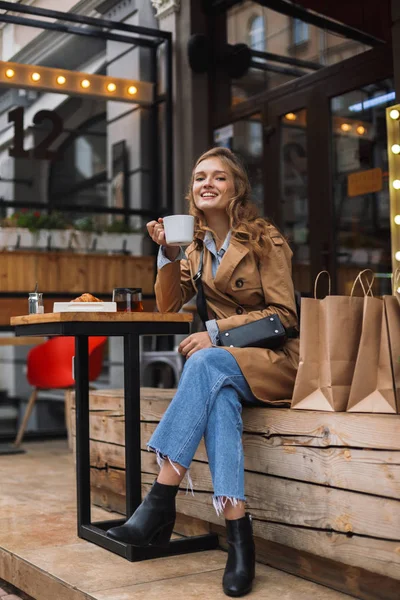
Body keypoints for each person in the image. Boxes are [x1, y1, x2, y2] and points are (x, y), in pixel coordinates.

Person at [107, 147, 299, 597]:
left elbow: (285, 316)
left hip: (275, 362)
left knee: (205, 359)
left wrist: (216, 331)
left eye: (218, 177)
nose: (206, 184)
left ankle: (158, 501)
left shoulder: (263, 238)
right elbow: (169, 307)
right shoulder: (194, 248)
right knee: (218, 400)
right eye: (199, 178)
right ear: (192, 192)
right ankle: (239, 538)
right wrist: (167, 254)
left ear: (235, 188)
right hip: (226, 373)